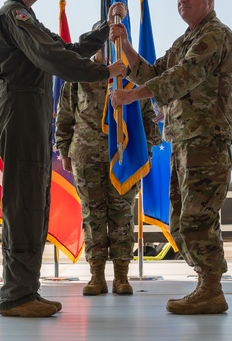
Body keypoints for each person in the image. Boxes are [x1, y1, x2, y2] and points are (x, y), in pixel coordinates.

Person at [0, 0, 127, 318]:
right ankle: (16, 296)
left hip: (30, 115)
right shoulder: (14, 16)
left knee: (34, 204)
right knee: (24, 206)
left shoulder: (28, 18)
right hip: (18, 113)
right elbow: (52, 57)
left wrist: (105, 28)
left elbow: (68, 50)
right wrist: (103, 73)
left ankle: (25, 290)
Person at [110, 0, 232, 314]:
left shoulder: (214, 36)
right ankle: (206, 283)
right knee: (181, 220)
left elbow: (181, 78)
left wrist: (131, 96)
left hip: (207, 141)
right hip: (184, 141)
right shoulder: (187, 39)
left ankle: (212, 288)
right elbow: (156, 72)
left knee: (199, 218)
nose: (183, 1)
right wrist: (125, 47)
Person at [56, 48, 160, 297]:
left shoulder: (132, 76)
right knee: (93, 217)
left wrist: (146, 151)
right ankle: (96, 276)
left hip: (124, 156)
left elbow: (147, 117)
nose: (108, 48)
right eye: (103, 43)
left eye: (112, 42)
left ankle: (122, 277)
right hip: (86, 155)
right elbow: (65, 115)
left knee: (122, 216)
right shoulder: (78, 75)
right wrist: (64, 149)